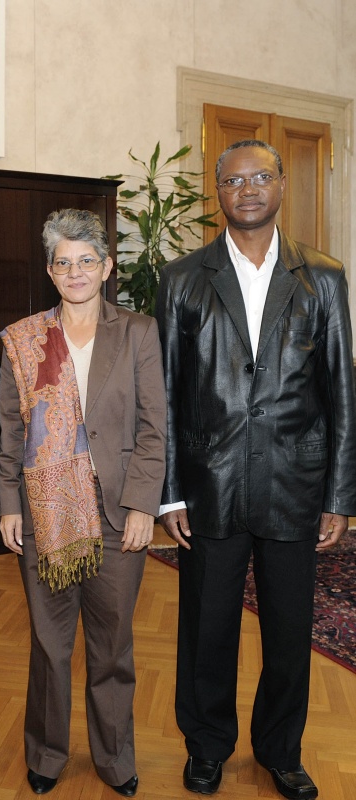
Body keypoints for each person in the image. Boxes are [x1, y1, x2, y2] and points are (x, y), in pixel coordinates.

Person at [156, 140, 356, 800]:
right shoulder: (183, 278)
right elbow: (164, 392)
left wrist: (338, 494)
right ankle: (207, 746)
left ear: (279, 187)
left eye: (260, 177)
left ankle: (280, 749)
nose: (247, 189)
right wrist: (169, 493)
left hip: (294, 486)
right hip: (209, 484)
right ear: (216, 191)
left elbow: (340, 395)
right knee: (205, 630)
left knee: (288, 631)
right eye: (233, 179)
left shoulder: (322, 276)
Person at [0, 208, 167, 797]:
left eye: (86, 261)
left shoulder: (138, 331)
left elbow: (153, 427)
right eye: (63, 262)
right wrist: (10, 503)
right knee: (48, 643)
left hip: (119, 513)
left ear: (107, 267)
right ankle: (44, 755)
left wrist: (145, 504)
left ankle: (115, 758)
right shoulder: (25, 339)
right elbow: (11, 429)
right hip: (45, 512)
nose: (75, 272)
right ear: (50, 270)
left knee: (112, 645)